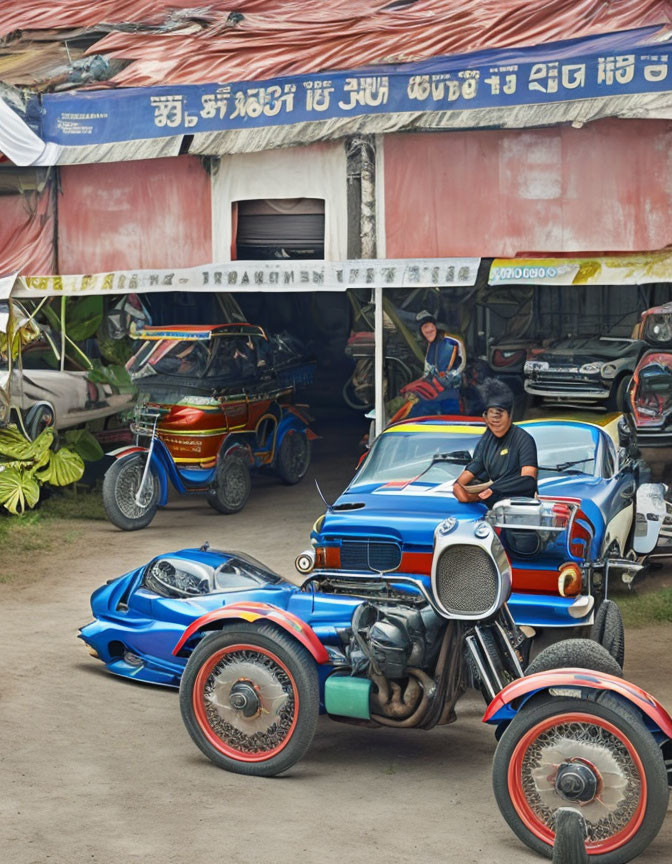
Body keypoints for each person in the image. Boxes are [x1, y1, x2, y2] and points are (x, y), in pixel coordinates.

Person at [452, 378, 537, 506]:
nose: (496, 423)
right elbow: (473, 467)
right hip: (492, 503)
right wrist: (457, 486)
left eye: (500, 416)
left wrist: (495, 489)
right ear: (485, 418)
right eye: (491, 418)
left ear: (510, 415)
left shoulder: (523, 439)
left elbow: (528, 480)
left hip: (518, 505)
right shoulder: (487, 439)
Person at [392, 310, 464, 419]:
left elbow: (461, 367)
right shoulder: (430, 346)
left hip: (450, 394)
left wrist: (448, 378)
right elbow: (427, 372)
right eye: (425, 327)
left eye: (430, 326)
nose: (429, 330)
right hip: (433, 396)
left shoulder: (453, 342)